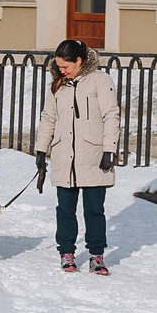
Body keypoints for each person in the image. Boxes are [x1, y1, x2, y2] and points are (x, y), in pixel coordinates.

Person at [32, 38, 120, 274]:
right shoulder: (58, 84)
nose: (62, 70)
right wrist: (41, 150)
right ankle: (67, 252)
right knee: (65, 209)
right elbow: (48, 117)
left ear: (79, 60)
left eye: (66, 66)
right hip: (64, 156)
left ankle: (96, 255)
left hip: (93, 155)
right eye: (59, 66)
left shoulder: (100, 80)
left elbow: (111, 115)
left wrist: (109, 150)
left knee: (94, 210)